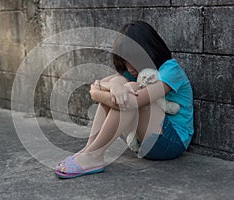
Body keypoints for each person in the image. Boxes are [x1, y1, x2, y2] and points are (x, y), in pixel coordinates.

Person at [54, 21, 194, 179]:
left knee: (129, 92)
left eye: (133, 60)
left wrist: (105, 92)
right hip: (143, 142)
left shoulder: (170, 70)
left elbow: (131, 102)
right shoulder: (134, 73)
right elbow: (99, 85)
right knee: (121, 85)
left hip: (171, 143)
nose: (130, 68)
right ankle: (89, 150)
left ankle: (94, 155)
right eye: (125, 62)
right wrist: (115, 87)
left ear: (149, 51)